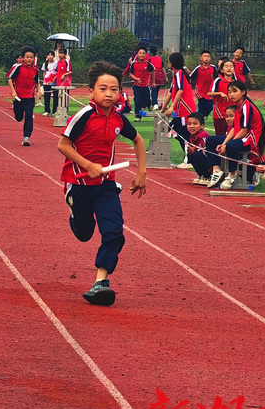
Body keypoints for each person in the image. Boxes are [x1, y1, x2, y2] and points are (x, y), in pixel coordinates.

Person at [57, 61, 148, 307]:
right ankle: (75, 215)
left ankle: (101, 282)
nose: (109, 94)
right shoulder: (83, 117)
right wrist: (87, 166)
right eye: (103, 89)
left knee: (114, 231)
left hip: (106, 185)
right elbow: (63, 145)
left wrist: (142, 172)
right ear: (91, 92)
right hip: (79, 184)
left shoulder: (119, 118)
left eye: (114, 89)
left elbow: (138, 141)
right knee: (85, 233)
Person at [214, 81, 265, 190]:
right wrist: (223, 144)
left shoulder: (246, 107)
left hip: (250, 140)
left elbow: (243, 130)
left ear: (243, 92)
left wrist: (227, 145)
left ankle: (232, 174)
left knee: (232, 145)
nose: (231, 95)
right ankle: (216, 172)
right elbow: (234, 129)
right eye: (229, 92)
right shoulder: (238, 108)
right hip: (241, 138)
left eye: (234, 91)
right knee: (212, 140)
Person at [158, 52, 196, 165]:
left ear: (172, 63)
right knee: (174, 131)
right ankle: (187, 158)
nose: (168, 64)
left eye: (169, 61)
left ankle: (189, 159)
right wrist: (163, 109)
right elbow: (170, 93)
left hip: (185, 109)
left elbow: (180, 90)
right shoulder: (176, 75)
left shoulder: (179, 74)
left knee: (184, 134)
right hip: (179, 111)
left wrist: (171, 107)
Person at [8, 47, 42, 146]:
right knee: (18, 117)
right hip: (18, 97)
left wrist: (39, 91)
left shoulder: (35, 69)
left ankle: (26, 137)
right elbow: (10, 79)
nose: (29, 59)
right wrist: (13, 92)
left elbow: (37, 82)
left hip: (29, 97)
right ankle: (18, 114)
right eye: (27, 57)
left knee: (28, 116)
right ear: (23, 58)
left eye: (31, 57)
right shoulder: (18, 68)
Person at [184, 112, 215, 185]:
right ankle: (201, 175)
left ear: (202, 126)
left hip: (210, 160)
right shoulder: (192, 135)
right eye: (189, 124)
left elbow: (207, 150)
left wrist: (194, 149)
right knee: (190, 155)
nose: (191, 126)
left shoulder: (203, 136)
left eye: (195, 124)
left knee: (197, 155)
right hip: (201, 156)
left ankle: (208, 175)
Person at [209, 59, 236, 138]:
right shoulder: (218, 81)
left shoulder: (235, 82)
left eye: (231, 66)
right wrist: (220, 93)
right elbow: (209, 93)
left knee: (233, 136)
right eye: (226, 67)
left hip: (233, 114)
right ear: (222, 70)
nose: (229, 68)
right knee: (220, 137)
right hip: (219, 114)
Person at [127, 47, 154, 121]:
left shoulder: (148, 64)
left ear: (146, 55)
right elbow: (130, 74)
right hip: (137, 86)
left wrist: (153, 82)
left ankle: (149, 105)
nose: (141, 55)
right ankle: (137, 116)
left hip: (145, 86)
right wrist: (136, 79)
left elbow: (153, 71)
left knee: (147, 100)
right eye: (140, 53)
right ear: (137, 55)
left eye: (143, 53)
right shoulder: (134, 64)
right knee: (137, 100)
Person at [190, 50, 217, 122]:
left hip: (210, 91)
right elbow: (191, 78)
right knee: (201, 107)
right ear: (201, 58)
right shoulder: (198, 68)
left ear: (210, 58)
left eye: (208, 56)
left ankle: (204, 115)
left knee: (210, 106)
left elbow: (217, 78)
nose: (206, 58)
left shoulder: (213, 68)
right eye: (204, 56)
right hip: (200, 91)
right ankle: (199, 120)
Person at [42, 52, 58, 116]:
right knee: (46, 96)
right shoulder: (45, 64)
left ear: (53, 56)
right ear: (47, 56)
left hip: (54, 81)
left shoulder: (56, 63)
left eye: (51, 55)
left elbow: (58, 72)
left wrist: (55, 78)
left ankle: (55, 111)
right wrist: (45, 79)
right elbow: (44, 72)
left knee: (55, 96)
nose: (50, 56)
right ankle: (47, 111)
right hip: (46, 81)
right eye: (49, 55)